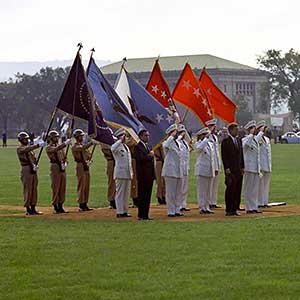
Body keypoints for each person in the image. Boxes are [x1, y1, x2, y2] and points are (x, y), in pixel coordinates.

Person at [16, 131, 46, 215]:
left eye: (27, 139)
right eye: (24, 139)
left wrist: (35, 164)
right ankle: (28, 208)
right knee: (28, 188)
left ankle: (33, 207)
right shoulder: (20, 148)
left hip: (32, 169)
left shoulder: (29, 148)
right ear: (21, 140)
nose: (26, 140)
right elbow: (26, 150)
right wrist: (38, 145)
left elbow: (33, 157)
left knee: (34, 188)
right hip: (26, 169)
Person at [221, 123, 245, 216]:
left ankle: (235, 207)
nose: (237, 131)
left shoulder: (239, 140)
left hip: (238, 169)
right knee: (230, 188)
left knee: (238, 189)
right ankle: (229, 209)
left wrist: (242, 166)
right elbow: (224, 156)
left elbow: (241, 155)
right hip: (230, 169)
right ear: (230, 131)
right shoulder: (226, 141)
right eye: (235, 129)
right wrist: (226, 168)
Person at [46, 130, 71, 213]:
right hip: (55, 167)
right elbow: (56, 149)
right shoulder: (49, 147)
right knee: (55, 186)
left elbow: (65, 157)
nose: (56, 138)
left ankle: (61, 205)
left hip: (62, 167)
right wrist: (65, 144)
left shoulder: (60, 147)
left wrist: (65, 164)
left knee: (62, 187)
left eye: (57, 137)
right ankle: (55, 205)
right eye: (55, 137)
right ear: (51, 138)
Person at [242, 120, 264, 214]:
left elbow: (259, 137)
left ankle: (254, 206)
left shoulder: (255, 139)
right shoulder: (245, 139)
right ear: (249, 130)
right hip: (248, 167)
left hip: (255, 168)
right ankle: (248, 207)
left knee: (255, 189)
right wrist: (250, 134)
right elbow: (245, 145)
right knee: (248, 188)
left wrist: (261, 131)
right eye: (253, 128)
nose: (255, 130)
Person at [162, 124, 183, 217]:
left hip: (178, 170)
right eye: (174, 132)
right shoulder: (167, 142)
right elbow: (166, 145)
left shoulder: (177, 143)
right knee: (170, 192)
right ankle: (171, 211)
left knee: (178, 192)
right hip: (170, 171)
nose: (175, 134)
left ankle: (177, 209)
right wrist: (171, 136)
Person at [111, 128, 133, 218]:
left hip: (127, 173)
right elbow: (112, 149)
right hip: (120, 173)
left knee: (126, 193)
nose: (125, 138)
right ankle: (119, 211)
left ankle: (125, 211)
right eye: (124, 136)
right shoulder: (117, 146)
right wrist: (119, 140)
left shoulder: (126, 147)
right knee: (120, 193)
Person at [71, 129, 95, 211]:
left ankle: (85, 203)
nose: (82, 137)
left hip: (86, 165)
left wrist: (89, 160)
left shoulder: (82, 145)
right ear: (77, 137)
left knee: (86, 185)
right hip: (80, 165)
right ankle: (81, 204)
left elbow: (88, 154)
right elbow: (82, 148)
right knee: (81, 184)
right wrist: (91, 143)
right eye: (80, 136)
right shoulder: (75, 146)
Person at [134, 129, 155, 220]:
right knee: (142, 195)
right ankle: (140, 214)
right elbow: (139, 159)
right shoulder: (138, 147)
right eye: (146, 135)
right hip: (142, 175)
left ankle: (146, 215)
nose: (148, 137)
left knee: (148, 196)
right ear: (141, 136)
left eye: (148, 135)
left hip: (149, 175)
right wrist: (149, 156)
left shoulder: (148, 146)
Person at [194, 127, 216, 214]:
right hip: (202, 170)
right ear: (201, 136)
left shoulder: (210, 144)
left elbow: (212, 158)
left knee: (208, 190)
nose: (207, 136)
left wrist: (214, 169)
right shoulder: (198, 144)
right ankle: (202, 207)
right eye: (205, 135)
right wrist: (205, 139)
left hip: (210, 169)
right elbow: (199, 149)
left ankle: (207, 206)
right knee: (202, 190)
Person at [205, 118, 222, 209]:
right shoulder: (206, 137)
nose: (214, 128)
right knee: (210, 184)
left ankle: (213, 201)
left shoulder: (215, 137)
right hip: (211, 164)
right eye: (212, 127)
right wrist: (208, 132)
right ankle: (209, 202)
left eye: (214, 127)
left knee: (215, 184)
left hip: (217, 162)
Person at [257, 120, 272, 208]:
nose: (264, 130)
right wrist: (260, 132)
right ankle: (260, 202)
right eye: (263, 128)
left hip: (267, 164)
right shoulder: (256, 138)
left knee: (266, 184)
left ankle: (265, 202)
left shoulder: (266, 139)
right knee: (260, 185)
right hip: (261, 165)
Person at [176, 124, 191, 212]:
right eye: (181, 132)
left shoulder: (185, 143)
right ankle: (179, 205)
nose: (182, 134)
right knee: (180, 187)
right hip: (179, 168)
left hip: (185, 167)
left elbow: (189, 142)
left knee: (185, 187)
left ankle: (183, 204)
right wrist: (179, 136)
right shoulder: (176, 142)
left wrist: (184, 133)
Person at [100, 142, 116, 209]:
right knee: (112, 182)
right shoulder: (104, 144)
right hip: (111, 162)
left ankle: (116, 199)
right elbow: (107, 150)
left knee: (116, 183)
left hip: (116, 162)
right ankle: (112, 200)